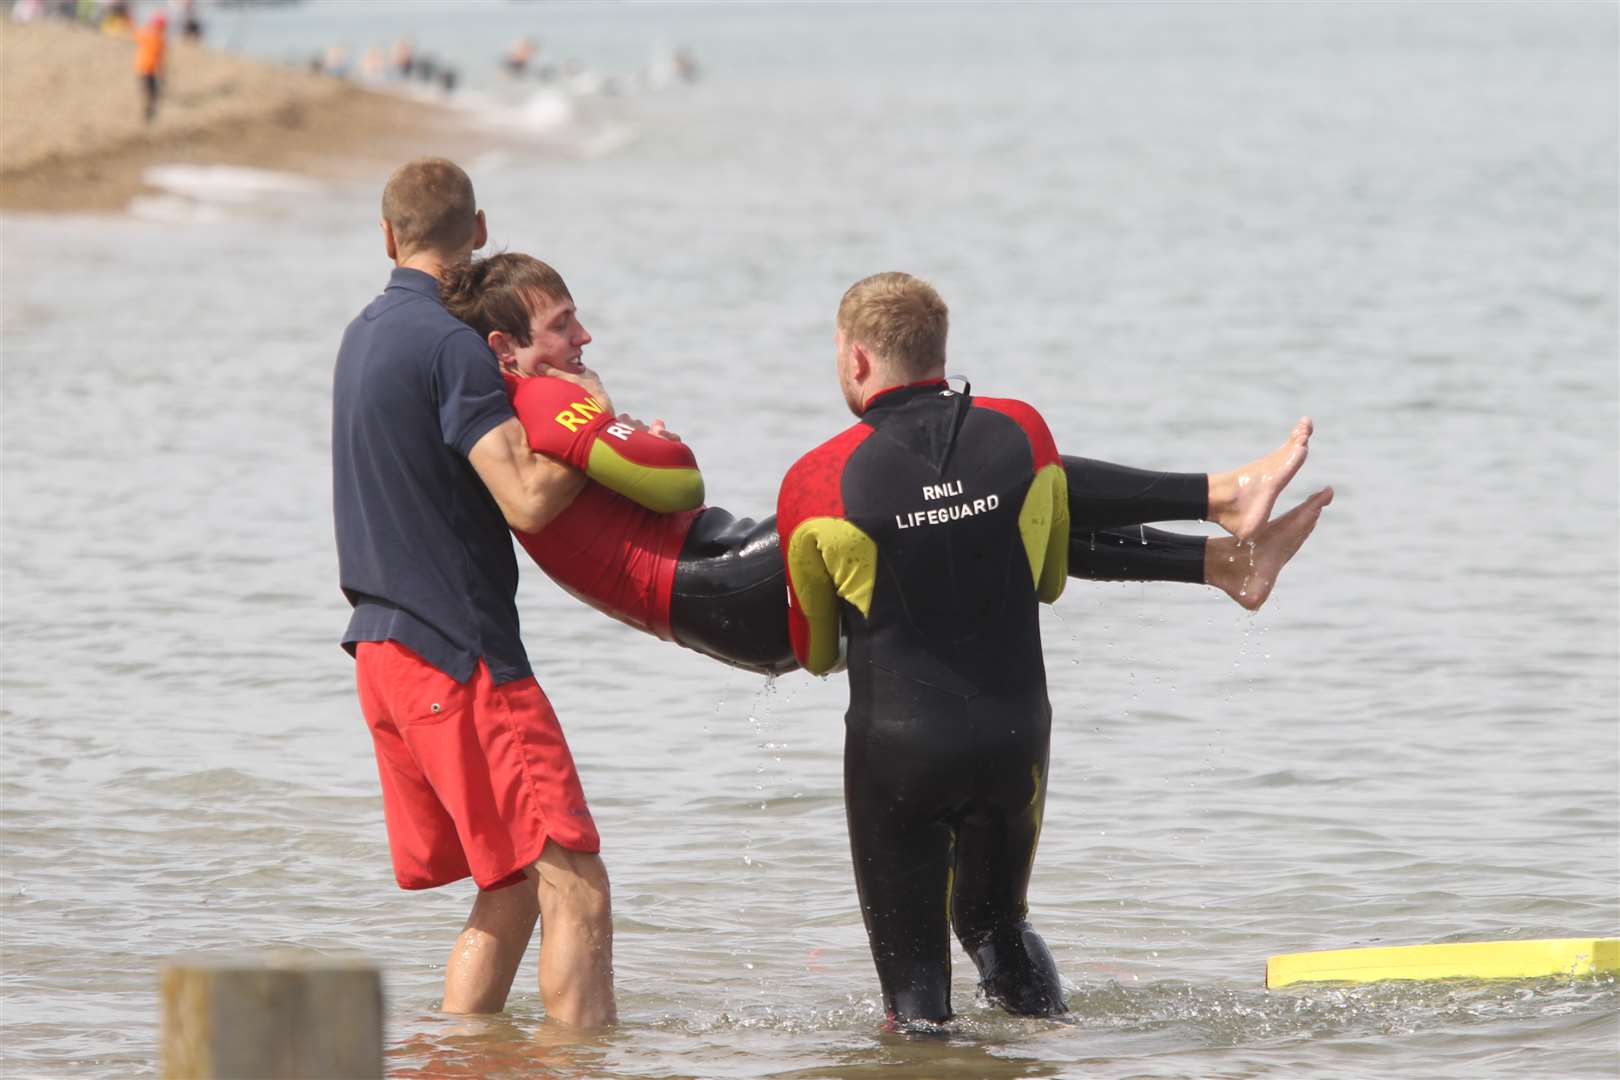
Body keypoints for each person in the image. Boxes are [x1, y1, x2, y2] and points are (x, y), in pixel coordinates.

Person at [775, 271, 1332, 1026]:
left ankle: (1226, 528)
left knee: (916, 1008)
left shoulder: (815, 481)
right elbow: (1046, 574)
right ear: (939, 351)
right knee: (995, 925)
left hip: (897, 756)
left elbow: (811, 651)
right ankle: (1053, 1045)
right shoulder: (1020, 432)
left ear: (857, 360)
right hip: (1014, 739)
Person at [439, 253, 1332, 679]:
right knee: (985, 477)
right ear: (506, 347)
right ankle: (1220, 499)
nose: (583, 337)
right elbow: (678, 474)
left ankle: (1224, 558)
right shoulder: (543, 399)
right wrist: (616, 422)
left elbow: (647, 476)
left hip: (721, 570)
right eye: (562, 325)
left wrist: (618, 436)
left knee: (986, 515)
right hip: (714, 585)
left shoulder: (536, 407)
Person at [331, 159, 615, 1027]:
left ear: (388, 237)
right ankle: (578, 1063)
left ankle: (457, 1057)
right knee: (576, 882)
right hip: (460, 655)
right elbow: (525, 493)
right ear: (479, 229)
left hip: (382, 650)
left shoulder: (361, 334)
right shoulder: (452, 347)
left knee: (512, 884)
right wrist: (590, 416)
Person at [132, 9, 165, 124]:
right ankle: (148, 115)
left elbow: (135, 34)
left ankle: (149, 114)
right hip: (147, 69)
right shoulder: (158, 39)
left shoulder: (149, 34)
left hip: (143, 68)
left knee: (150, 92)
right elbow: (160, 59)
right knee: (151, 93)